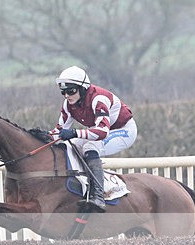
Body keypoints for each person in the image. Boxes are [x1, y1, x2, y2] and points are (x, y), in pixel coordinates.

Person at [49, 66, 137, 212]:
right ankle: (82, 185)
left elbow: (102, 132)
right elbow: (58, 132)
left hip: (123, 131)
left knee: (90, 147)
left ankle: (98, 196)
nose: (67, 95)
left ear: (83, 88)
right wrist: (41, 136)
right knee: (70, 146)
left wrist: (74, 132)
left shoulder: (99, 99)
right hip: (101, 130)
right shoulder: (68, 105)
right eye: (63, 92)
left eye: (71, 91)